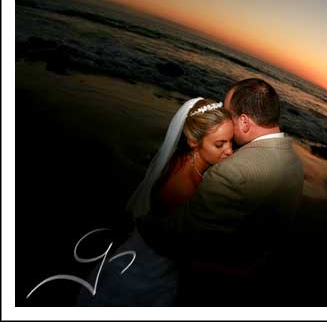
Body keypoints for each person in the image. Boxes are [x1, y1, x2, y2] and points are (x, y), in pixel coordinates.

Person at [137, 78, 305, 303]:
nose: (224, 118)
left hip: (206, 284)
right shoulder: (294, 162)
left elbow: (179, 238)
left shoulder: (231, 172)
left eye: (229, 114)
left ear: (244, 122)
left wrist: (140, 224)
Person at [76, 97, 233, 306]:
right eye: (220, 144)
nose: (230, 150)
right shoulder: (183, 189)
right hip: (145, 275)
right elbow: (188, 253)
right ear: (194, 142)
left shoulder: (183, 160)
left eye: (232, 141)